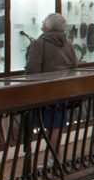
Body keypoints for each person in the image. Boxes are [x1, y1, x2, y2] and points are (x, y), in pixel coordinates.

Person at [26, 13, 79, 143]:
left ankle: (54, 158)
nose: (42, 23)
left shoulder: (39, 44)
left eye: (44, 21)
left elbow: (32, 70)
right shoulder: (68, 44)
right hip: (63, 92)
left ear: (47, 26)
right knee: (57, 125)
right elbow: (74, 66)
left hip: (45, 93)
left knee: (52, 125)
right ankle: (54, 157)